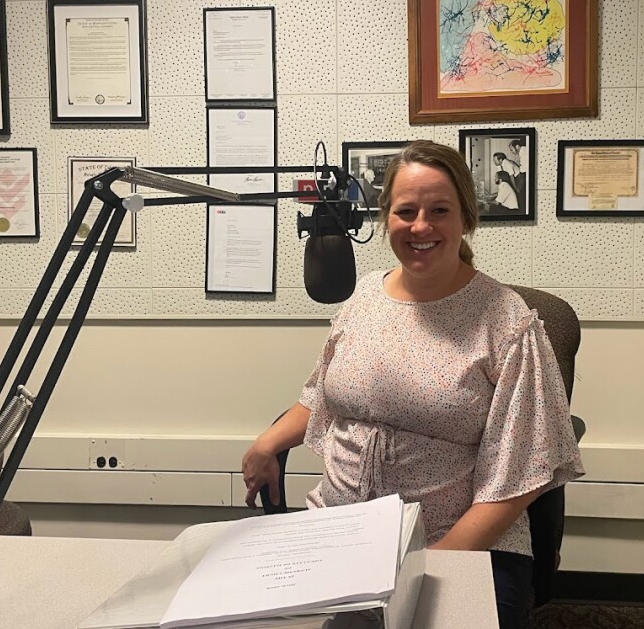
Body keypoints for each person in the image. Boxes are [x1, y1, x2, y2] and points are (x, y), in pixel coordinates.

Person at [242, 140, 584, 628]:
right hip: (340, 529)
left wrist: (433, 562)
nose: (421, 226)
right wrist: (267, 443)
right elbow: (324, 393)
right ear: (387, 220)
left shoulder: (507, 323)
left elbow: (520, 472)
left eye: (439, 210)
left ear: (466, 218)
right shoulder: (363, 298)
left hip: (455, 539)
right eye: (406, 211)